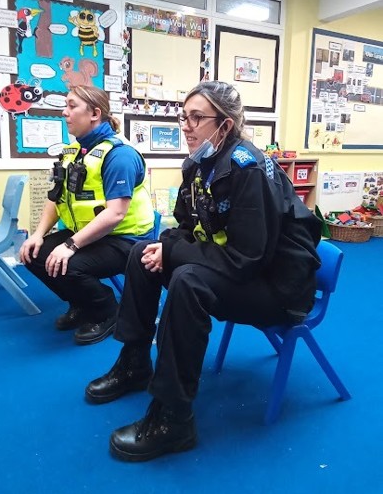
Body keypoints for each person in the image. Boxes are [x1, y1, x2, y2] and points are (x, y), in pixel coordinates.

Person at [85, 81, 322, 462]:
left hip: (276, 287)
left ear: (225, 125)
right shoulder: (199, 163)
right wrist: (167, 246)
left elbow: (247, 259)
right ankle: (134, 363)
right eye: (184, 116)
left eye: (196, 117)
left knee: (188, 281)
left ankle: (174, 418)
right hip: (239, 269)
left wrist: (175, 252)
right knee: (142, 253)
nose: (186, 126)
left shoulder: (247, 169)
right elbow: (185, 224)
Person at [19, 86, 155, 345]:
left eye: (72, 106)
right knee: (33, 254)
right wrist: (38, 234)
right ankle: (81, 303)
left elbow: (115, 213)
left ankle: (107, 311)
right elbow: (55, 198)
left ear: (94, 113)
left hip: (126, 239)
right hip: (89, 233)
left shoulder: (120, 155)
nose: (64, 112)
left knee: (68, 265)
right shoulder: (73, 152)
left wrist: (70, 245)